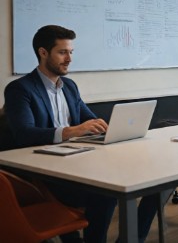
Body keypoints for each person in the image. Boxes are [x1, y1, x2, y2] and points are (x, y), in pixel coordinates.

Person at [2, 25, 166, 243]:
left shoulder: (69, 86)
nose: (69, 58)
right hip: (43, 174)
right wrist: (70, 131)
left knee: (156, 182)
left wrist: (111, 128)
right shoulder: (20, 89)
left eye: (71, 52)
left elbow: (91, 121)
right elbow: (25, 134)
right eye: (62, 52)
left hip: (75, 161)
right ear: (43, 53)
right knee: (106, 192)